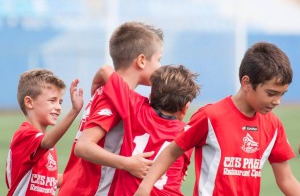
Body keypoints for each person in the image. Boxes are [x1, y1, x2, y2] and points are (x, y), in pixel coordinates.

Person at [134, 42, 300, 196]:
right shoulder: (211, 116)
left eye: (282, 94)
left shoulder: (274, 125)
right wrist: (145, 188)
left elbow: (286, 179)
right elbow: (171, 151)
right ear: (246, 83)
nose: (277, 101)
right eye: (271, 93)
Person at [58, 21, 164, 196]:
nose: (160, 67)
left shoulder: (109, 91)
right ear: (142, 60)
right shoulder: (111, 98)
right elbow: (83, 147)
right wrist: (128, 163)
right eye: (158, 60)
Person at [96, 64, 200, 195]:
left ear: (151, 96)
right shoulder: (188, 133)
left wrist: (94, 87)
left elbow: (105, 70)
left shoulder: (136, 108)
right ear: (186, 107)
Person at [5, 69, 83, 196]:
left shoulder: (47, 143)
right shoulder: (25, 135)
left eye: (60, 102)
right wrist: (74, 111)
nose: (58, 107)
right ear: (29, 102)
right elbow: (47, 142)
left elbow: (49, 179)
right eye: (52, 100)